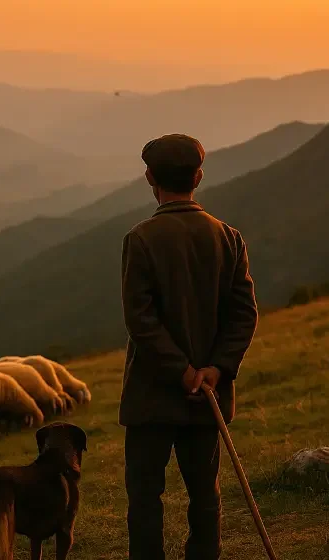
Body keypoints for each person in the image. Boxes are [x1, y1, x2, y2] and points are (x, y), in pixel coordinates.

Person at [120, 134, 259, 560]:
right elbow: (244, 314)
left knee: (145, 497)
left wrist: (180, 371)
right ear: (198, 176)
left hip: (152, 396)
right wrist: (216, 369)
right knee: (205, 494)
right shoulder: (228, 237)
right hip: (209, 398)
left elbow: (141, 321)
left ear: (149, 178)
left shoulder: (141, 239)